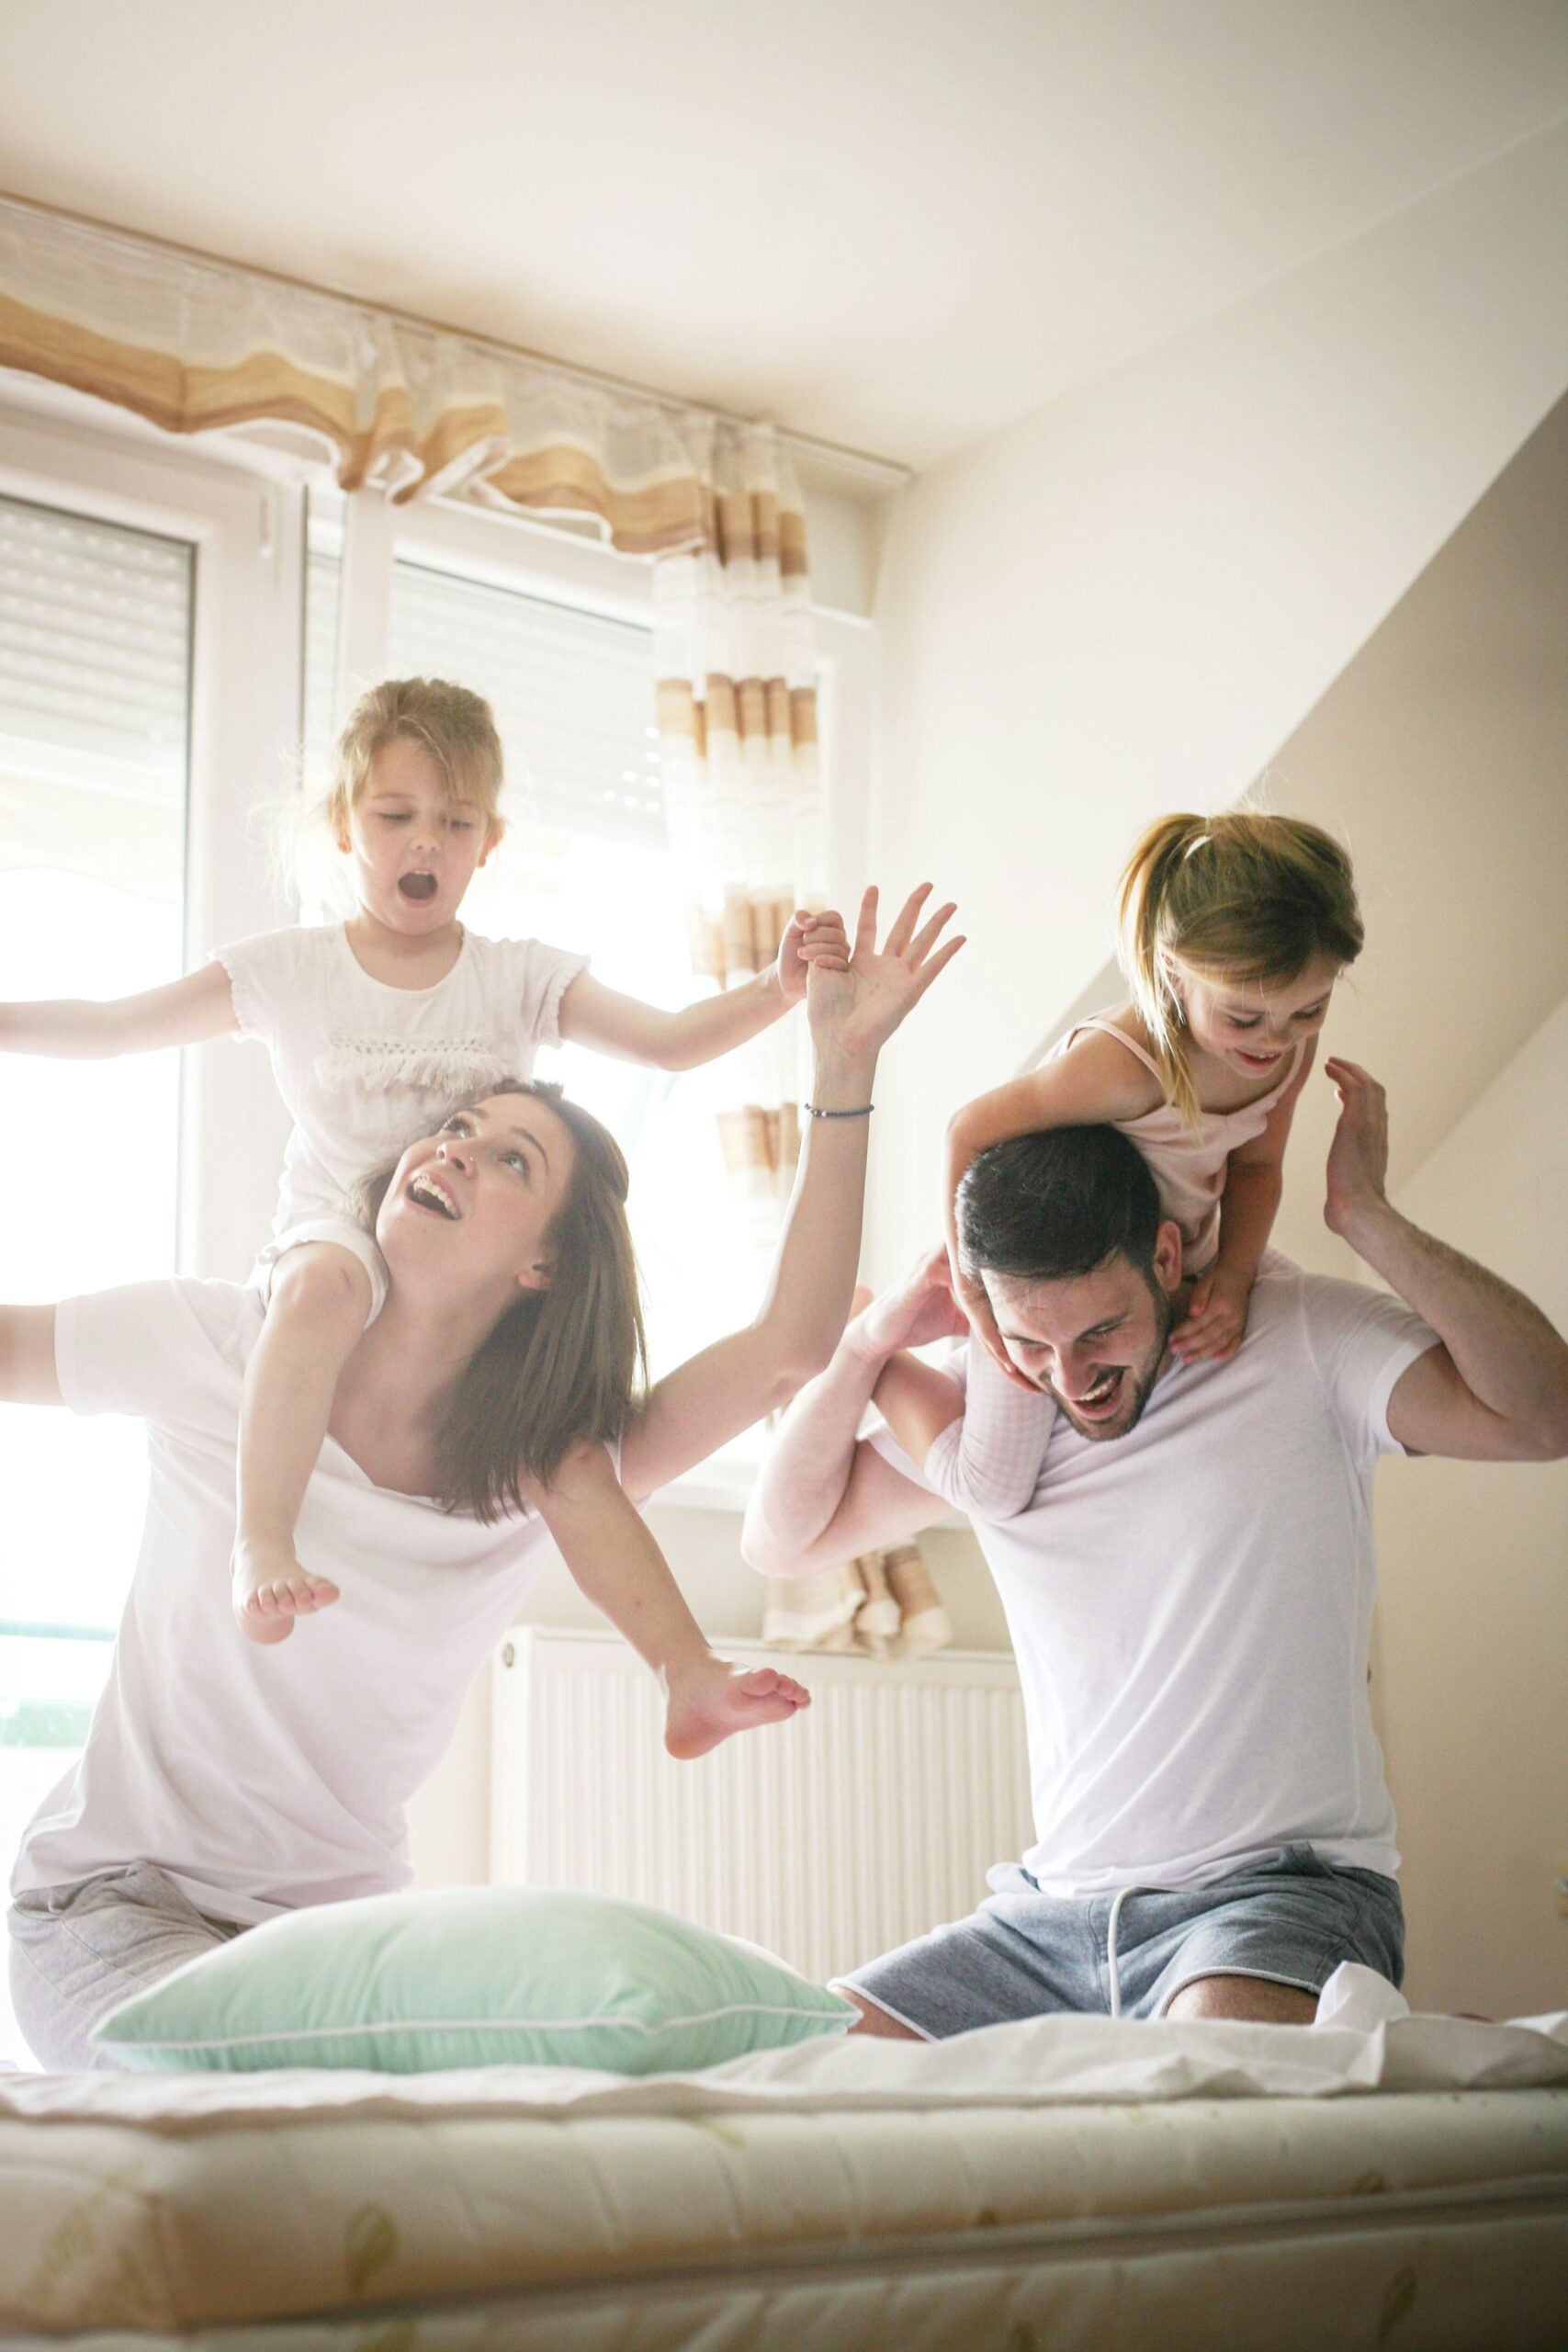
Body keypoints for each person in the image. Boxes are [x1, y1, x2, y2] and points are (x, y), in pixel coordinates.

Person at [5, 882, 963, 2071]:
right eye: (452, 1130)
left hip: (339, 1937)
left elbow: (790, 1344)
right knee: (236, 2127)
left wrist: (840, 1063)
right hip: (115, 1907)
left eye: (505, 1155)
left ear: (542, 1267)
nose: (451, 1149)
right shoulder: (220, 1347)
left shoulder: (548, 1471)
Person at [0, 676, 849, 1641]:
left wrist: (778, 989)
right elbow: (116, 1025)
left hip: (462, 1266)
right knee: (318, 1292)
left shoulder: (514, 976)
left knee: (566, 1456)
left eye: (454, 822)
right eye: (396, 815)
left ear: (489, 842)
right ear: (343, 823)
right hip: (338, 1231)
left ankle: (684, 1665)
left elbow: (669, 1041)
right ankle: (262, 1542)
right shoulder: (291, 970)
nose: (423, 844)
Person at [742, 1059, 1568, 2035]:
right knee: (804, 2063)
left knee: (1199, 2101)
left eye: (1101, 1333)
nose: (1073, 1377)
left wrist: (1369, 1219)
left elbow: (1542, 1414)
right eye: (1033, 1345)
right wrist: (863, 1347)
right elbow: (780, 1542)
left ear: (1167, 1258)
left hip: (1274, 1896)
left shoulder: (1294, 1334)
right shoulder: (1001, 1404)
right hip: (1046, 1919)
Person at [935, 809, 1363, 1520]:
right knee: (993, 1488)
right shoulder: (1124, 1066)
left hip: (1154, 1266)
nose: (1275, 1040)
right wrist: (972, 1292)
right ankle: (883, 1350)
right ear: (1172, 975)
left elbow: (1256, 1169)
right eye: (1244, 1018)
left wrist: (1231, 1275)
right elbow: (965, 1131)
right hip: (1046, 1289)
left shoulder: (1282, 1053)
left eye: (1308, 1010)